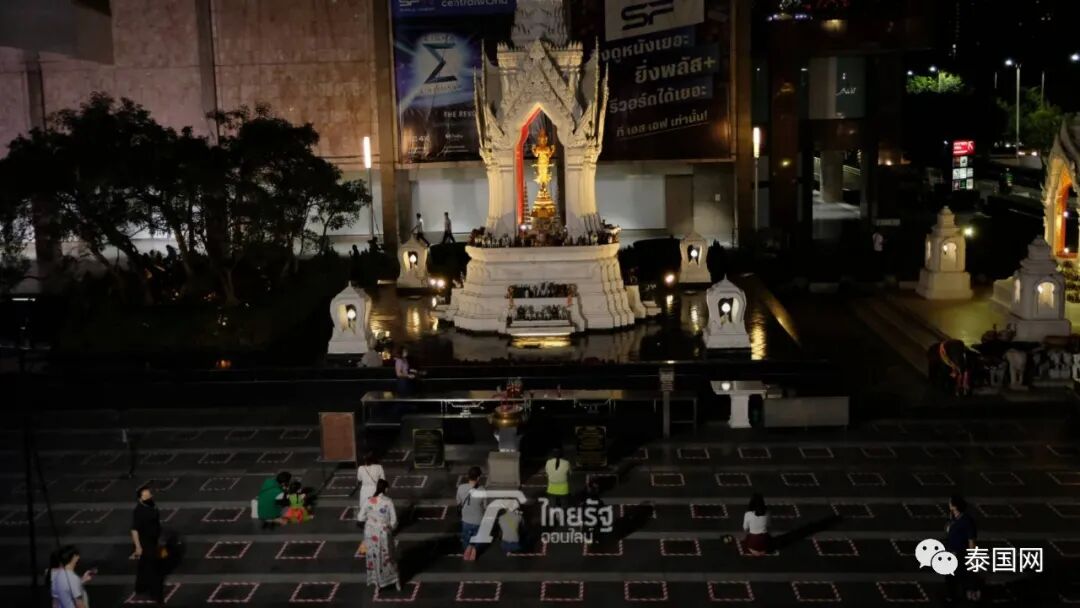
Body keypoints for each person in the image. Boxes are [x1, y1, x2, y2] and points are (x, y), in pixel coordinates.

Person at [361, 479, 401, 591]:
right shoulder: (388, 501)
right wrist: (389, 528)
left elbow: (360, 517)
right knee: (388, 557)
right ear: (386, 489)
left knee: (373, 557)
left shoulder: (368, 501)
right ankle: (395, 580)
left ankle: (377, 582)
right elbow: (394, 521)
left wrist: (371, 521)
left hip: (370, 533)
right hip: (383, 533)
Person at [130, 486, 164, 602]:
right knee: (152, 566)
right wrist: (138, 547)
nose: (149, 497)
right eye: (146, 496)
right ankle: (154, 592)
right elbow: (134, 530)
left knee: (143, 565)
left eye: (150, 495)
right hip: (146, 542)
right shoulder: (139, 511)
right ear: (140, 499)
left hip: (153, 540)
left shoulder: (151, 505)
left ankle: (140, 588)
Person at [944, 495, 980, 602]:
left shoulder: (967, 521)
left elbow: (971, 540)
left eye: (950, 503)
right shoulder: (953, 519)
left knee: (961, 577)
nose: (948, 504)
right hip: (951, 553)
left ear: (954, 506)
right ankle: (952, 596)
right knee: (950, 578)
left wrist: (973, 557)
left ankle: (969, 595)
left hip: (960, 554)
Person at [457, 466, 487, 560]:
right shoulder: (482, 490)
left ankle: (468, 549)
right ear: (478, 477)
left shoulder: (461, 488)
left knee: (466, 539)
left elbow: (458, 502)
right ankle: (475, 549)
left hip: (466, 520)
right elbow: (485, 506)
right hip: (478, 520)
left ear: (468, 476)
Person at [357, 452, 386, 524]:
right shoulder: (379, 467)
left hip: (365, 490)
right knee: (377, 507)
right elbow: (383, 480)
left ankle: (366, 523)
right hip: (375, 489)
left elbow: (359, 479)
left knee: (364, 508)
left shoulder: (361, 468)